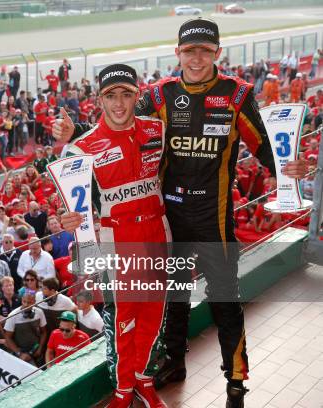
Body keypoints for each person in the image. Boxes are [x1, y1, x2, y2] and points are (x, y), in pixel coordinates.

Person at [55, 21, 308, 406]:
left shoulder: (237, 94)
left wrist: (289, 167)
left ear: (217, 53)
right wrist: (76, 136)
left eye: (205, 50)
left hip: (213, 221)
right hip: (167, 224)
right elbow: (119, 123)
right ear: (177, 53)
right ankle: (171, 364)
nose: (196, 58)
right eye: (189, 51)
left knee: (226, 302)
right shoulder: (158, 95)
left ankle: (236, 381)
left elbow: (264, 148)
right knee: (172, 299)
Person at [57, 63, 170, 407]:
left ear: (138, 95)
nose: (119, 103)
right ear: (99, 100)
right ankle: (122, 389)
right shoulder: (81, 148)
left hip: (158, 234)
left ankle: (144, 380)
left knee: (154, 314)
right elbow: (71, 204)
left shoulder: (158, 130)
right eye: (111, 96)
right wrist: (67, 219)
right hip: (117, 241)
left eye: (126, 94)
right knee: (122, 320)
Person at [4, 289, 47, 366]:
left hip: (35, 349)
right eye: (24, 301)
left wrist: (40, 348)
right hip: (21, 352)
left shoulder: (39, 313)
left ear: (34, 302)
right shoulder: (13, 315)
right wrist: (19, 353)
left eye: (29, 302)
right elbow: (7, 337)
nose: (26, 304)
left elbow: (44, 332)